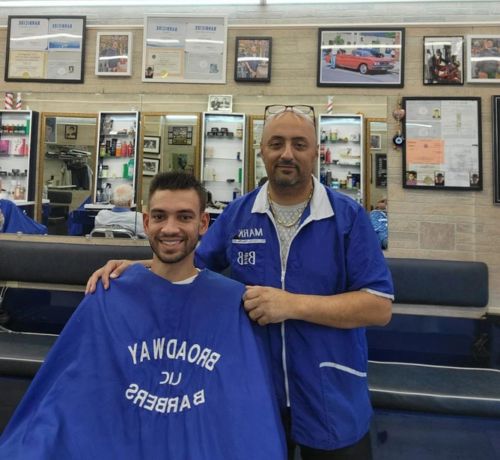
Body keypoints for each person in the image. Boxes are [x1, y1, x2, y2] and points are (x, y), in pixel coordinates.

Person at [86, 105, 394, 459]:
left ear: (315, 151)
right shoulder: (239, 214)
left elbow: (378, 306)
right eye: (276, 144)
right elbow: (192, 266)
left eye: (299, 144)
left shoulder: (348, 217)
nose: (287, 154)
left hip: (331, 395)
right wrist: (137, 267)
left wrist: (292, 305)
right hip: (254, 394)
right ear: (261, 151)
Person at [0, 172, 286, 459]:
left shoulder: (232, 303)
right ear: (147, 222)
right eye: (160, 216)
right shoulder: (109, 292)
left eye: (184, 217)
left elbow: (245, 411)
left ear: (203, 224)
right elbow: (71, 391)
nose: (170, 228)